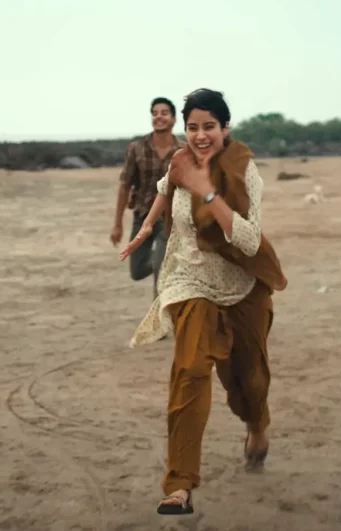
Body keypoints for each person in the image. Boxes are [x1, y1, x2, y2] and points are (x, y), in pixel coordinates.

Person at [120, 88, 287, 516]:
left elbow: (248, 240)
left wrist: (208, 193)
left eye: (209, 126)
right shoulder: (181, 161)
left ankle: (257, 423)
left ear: (225, 128)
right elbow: (165, 188)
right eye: (192, 127)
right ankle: (179, 485)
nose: (199, 135)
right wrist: (146, 228)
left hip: (243, 286)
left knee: (250, 381)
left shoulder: (245, 170)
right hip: (191, 279)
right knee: (190, 370)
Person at [111, 97, 182, 300]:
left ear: (173, 119)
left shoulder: (183, 151)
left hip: (170, 219)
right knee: (137, 271)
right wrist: (117, 224)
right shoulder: (137, 148)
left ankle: (158, 316)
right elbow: (125, 185)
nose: (159, 117)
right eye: (155, 113)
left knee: (161, 271)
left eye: (164, 113)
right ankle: (168, 260)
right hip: (142, 216)